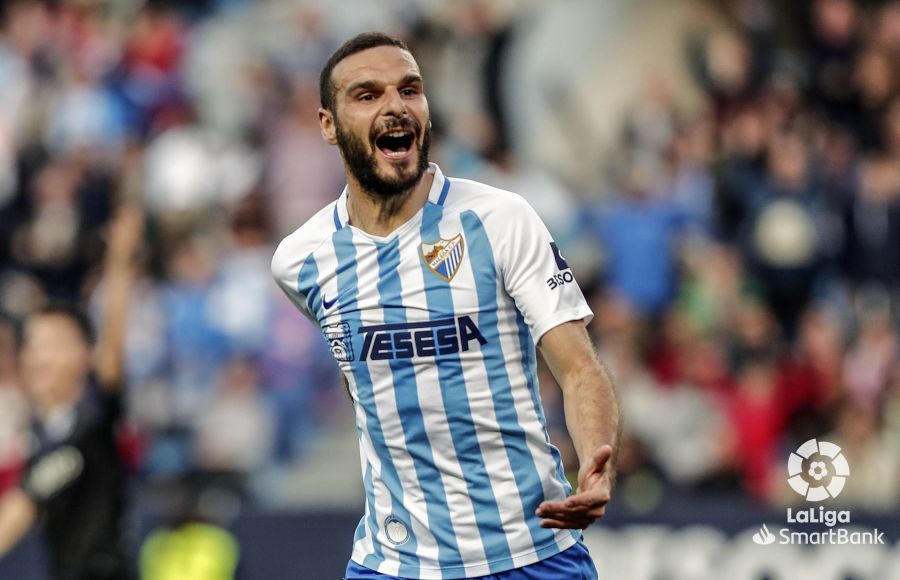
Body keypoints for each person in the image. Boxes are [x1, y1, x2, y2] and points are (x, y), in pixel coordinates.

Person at [271, 32, 621, 580]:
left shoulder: (500, 219)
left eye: (410, 90)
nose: (395, 105)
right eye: (367, 95)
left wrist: (597, 460)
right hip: (391, 564)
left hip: (531, 552)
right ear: (328, 125)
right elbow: (358, 373)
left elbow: (578, 367)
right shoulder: (300, 261)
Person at [0, 206, 142, 580]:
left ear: (83, 357)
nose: (41, 355)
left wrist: (119, 263)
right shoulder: (39, 433)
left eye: (55, 343)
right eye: (34, 344)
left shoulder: (94, 415)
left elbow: (112, 353)